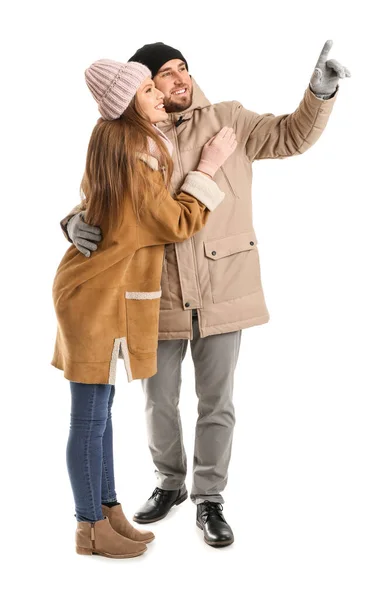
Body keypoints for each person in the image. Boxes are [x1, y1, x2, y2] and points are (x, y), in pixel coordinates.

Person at [61, 41, 350, 548]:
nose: (179, 80)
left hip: (224, 286)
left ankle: (209, 497)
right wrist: (72, 222)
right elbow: (102, 198)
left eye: (183, 69)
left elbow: (290, 136)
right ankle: (169, 483)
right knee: (159, 400)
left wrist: (320, 89)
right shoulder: (131, 137)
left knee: (217, 402)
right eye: (163, 75)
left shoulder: (228, 120)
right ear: (141, 87)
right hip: (156, 291)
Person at [52, 58, 236, 558]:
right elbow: (175, 223)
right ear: (128, 104)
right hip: (96, 297)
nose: (160, 95)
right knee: (89, 419)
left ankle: (109, 511)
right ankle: (89, 527)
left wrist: (71, 220)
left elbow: (99, 206)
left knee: (101, 416)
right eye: (149, 89)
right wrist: (207, 169)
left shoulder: (119, 141)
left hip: (98, 291)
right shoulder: (136, 156)